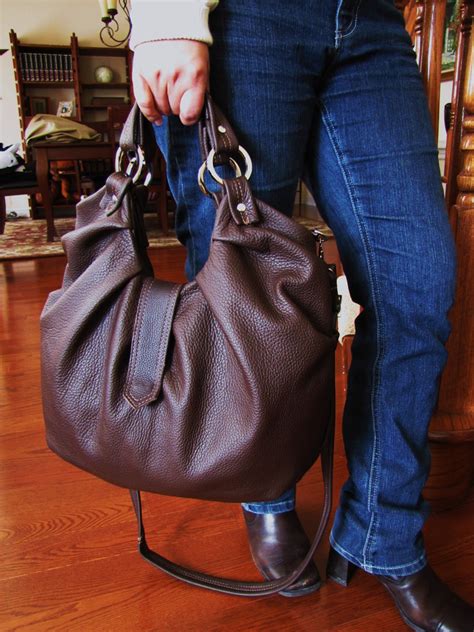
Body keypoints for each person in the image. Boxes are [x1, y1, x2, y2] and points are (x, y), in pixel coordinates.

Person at [129, 0, 474, 629]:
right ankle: (267, 499)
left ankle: (384, 531)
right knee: (243, 292)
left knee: (417, 279)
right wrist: (167, 18)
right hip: (244, 17)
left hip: (372, 23)